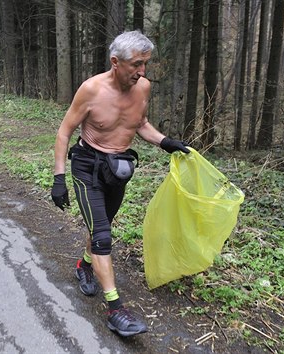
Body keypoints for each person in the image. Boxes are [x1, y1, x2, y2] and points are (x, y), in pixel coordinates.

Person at [51, 30, 189, 337]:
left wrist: (165, 141)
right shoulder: (91, 90)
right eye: (136, 64)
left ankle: (84, 265)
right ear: (116, 62)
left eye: (146, 64)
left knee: (102, 227)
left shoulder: (143, 88)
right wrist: (59, 177)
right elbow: (64, 132)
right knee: (102, 236)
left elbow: (138, 123)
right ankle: (116, 310)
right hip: (87, 167)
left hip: (118, 169)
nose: (142, 72)